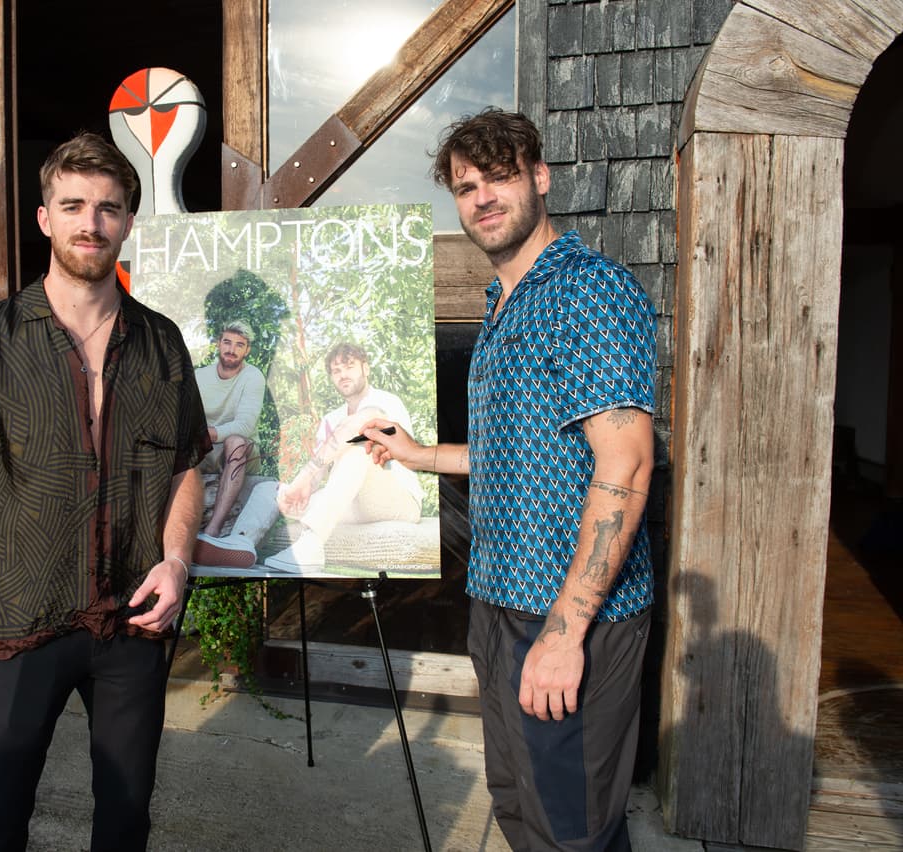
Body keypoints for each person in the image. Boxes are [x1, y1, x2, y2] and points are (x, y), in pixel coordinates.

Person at [363, 108, 657, 851]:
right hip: (498, 601)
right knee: (520, 808)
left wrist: (565, 633)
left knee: (574, 825)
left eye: (499, 177)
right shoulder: (502, 302)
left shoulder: (585, 290)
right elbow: (518, 449)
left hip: (566, 612)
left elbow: (626, 463)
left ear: (539, 177)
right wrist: (423, 454)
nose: (483, 197)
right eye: (467, 186)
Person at [0, 131, 209, 852]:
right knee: (0, 809)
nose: (91, 223)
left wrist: (175, 561)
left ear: (128, 224)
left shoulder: (162, 343)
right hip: (25, 618)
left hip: (132, 620)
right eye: (72, 205)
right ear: (45, 217)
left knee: (125, 815)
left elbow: (185, 467)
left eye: (108, 209)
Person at [195, 342, 422, 573]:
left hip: (397, 499)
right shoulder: (330, 419)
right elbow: (317, 475)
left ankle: (312, 546)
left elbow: (357, 427)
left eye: (349, 367)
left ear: (366, 368)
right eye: (336, 371)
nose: (343, 375)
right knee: (270, 489)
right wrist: (294, 493)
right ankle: (240, 543)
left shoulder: (385, 401)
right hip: (353, 502)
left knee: (357, 450)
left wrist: (305, 475)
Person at [193, 319, 265, 538]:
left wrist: (206, 434)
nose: (231, 350)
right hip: (205, 449)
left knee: (235, 441)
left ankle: (214, 529)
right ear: (218, 344)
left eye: (239, 345)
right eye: (227, 342)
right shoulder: (199, 377)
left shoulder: (253, 377)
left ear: (247, 350)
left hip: (239, 451)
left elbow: (244, 425)